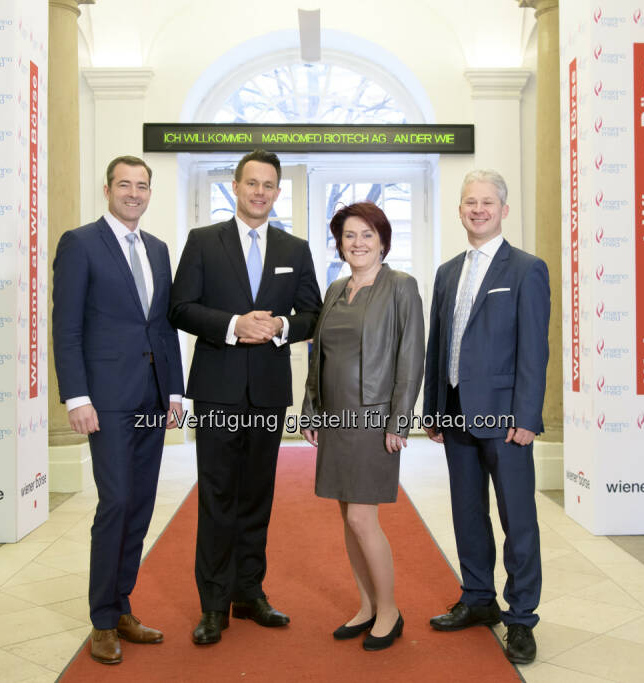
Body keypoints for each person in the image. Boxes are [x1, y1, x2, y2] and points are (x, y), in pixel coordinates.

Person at [169, 149, 322, 645]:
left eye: (269, 185)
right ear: (234, 186)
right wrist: (234, 325)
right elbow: (180, 308)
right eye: (251, 183)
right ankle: (213, 604)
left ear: (278, 192)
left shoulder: (294, 249)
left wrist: (280, 326)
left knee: (257, 496)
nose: (260, 192)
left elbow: (313, 313)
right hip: (217, 391)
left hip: (268, 395)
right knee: (217, 497)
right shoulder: (203, 242)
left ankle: (248, 592)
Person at [52, 155, 185, 665]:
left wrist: (173, 391)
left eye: (142, 186)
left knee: (140, 505)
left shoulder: (156, 249)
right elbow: (67, 327)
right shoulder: (80, 243)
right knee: (116, 502)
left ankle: (123, 605)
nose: (134, 193)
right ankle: (102, 620)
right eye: (125, 184)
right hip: (105, 400)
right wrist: (77, 397)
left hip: (152, 397)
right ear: (107, 189)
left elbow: (162, 326)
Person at [423, 170, 550, 665]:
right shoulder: (448, 271)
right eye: (470, 202)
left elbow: (534, 351)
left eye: (487, 202)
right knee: (467, 513)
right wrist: (434, 409)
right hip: (455, 413)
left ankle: (521, 619)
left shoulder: (526, 269)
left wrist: (527, 415)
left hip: (506, 418)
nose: (478, 210)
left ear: (504, 210)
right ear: (459, 210)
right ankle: (478, 599)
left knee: (518, 521)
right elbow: (439, 346)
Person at [301, 202, 424, 651]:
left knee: (362, 516)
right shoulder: (335, 289)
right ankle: (367, 605)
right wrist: (311, 409)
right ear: (339, 243)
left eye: (367, 234)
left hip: (374, 419)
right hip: (335, 418)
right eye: (349, 235)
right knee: (346, 518)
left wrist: (400, 420)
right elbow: (319, 356)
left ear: (383, 241)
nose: (357, 243)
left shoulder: (401, 287)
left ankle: (390, 611)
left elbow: (411, 357)